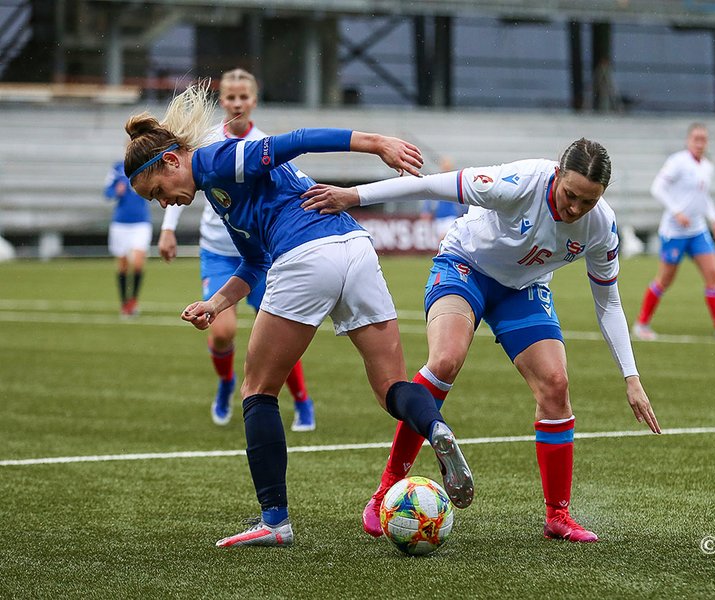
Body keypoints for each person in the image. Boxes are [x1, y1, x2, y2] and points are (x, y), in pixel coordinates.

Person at [123, 82, 474, 548]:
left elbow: (298, 140)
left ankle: (275, 522)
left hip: (307, 254)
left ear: (171, 161)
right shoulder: (218, 190)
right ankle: (435, 427)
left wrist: (378, 144)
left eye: (157, 192)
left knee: (257, 389)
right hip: (355, 249)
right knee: (390, 387)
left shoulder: (217, 160)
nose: (162, 203)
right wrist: (215, 303)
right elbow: (254, 263)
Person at [301, 138, 662, 543]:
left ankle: (558, 516)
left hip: (521, 290)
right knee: (445, 360)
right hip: (465, 267)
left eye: (588, 201)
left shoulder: (601, 228)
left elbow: (608, 303)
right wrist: (353, 196)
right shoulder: (516, 183)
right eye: (570, 195)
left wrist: (631, 377)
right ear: (557, 175)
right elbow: (427, 184)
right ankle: (386, 488)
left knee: (555, 384)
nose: (575, 208)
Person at [157, 69, 316, 431]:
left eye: (244, 96)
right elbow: (177, 183)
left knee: (277, 333)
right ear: (222, 101)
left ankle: (302, 400)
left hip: (260, 254)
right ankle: (226, 382)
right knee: (221, 331)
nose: (237, 103)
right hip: (218, 251)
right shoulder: (207, 142)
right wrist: (167, 230)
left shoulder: (263, 144)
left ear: (254, 100)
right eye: (231, 97)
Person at [632, 123, 715, 341]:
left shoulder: (707, 166)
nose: (700, 143)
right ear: (688, 140)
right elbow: (657, 188)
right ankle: (641, 323)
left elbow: (703, 196)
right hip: (674, 233)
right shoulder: (677, 162)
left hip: (697, 231)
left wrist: (714, 219)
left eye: (704, 139)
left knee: (712, 274)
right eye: (696, 139)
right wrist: (676, 212)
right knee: (664, 280)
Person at [104, 158, 152, 317]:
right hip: (120, 224)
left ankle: (133, 300)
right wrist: (115, 192)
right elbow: (107, 192)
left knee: (138, 263)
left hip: (140, 223)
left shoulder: (146, 164)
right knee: (123, 265)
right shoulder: (117, 168)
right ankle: (124, 302)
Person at [419, 157, 467, 243]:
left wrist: (462, 212)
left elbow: (461, 198)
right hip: (439, 217)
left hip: (450, 216)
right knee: (441, 242)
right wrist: (426, 210)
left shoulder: (454, 181)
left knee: (446, 238)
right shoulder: (438, 180)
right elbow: (431, 196)